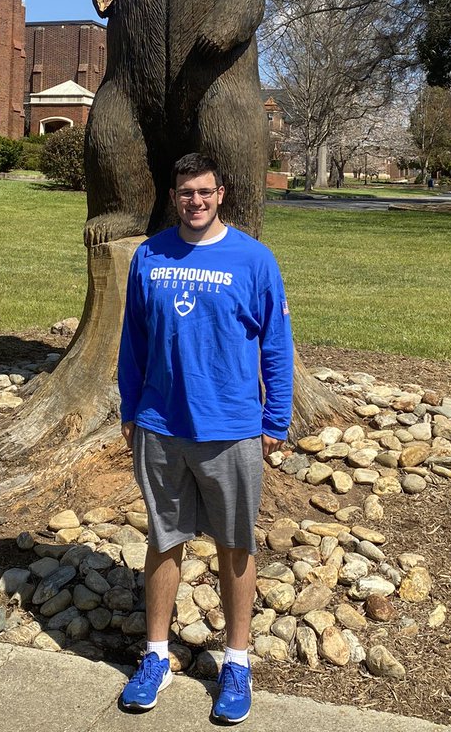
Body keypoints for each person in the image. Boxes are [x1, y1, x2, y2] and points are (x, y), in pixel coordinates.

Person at [117, 152, 293, 724]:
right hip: (160, 425)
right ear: (174, 196)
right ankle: (156, 656)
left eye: (205, 192)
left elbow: (275, 345)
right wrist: (130, 408)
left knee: (235, 544)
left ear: (222, 195)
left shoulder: (254, 260)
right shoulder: (150, 255)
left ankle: (236, 663)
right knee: (164, 539)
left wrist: (276, 421)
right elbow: (134, 343)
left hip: (231, 428)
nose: (196, 201)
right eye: (186, 192)